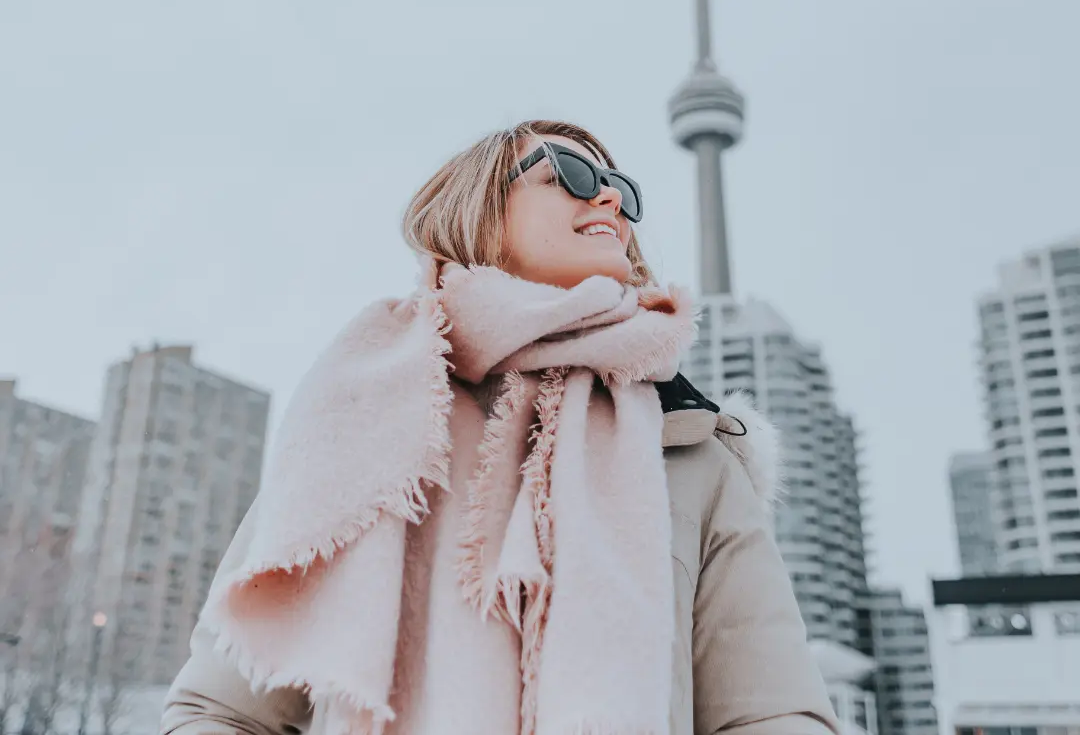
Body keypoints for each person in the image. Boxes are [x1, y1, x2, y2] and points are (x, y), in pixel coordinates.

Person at [161, 119, 839, 735]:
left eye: (622, 192)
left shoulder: (691, 450)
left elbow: (771, 712)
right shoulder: (362, 419)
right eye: (568, 177)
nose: (608, 200)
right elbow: (222, 711)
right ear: (478, 211)